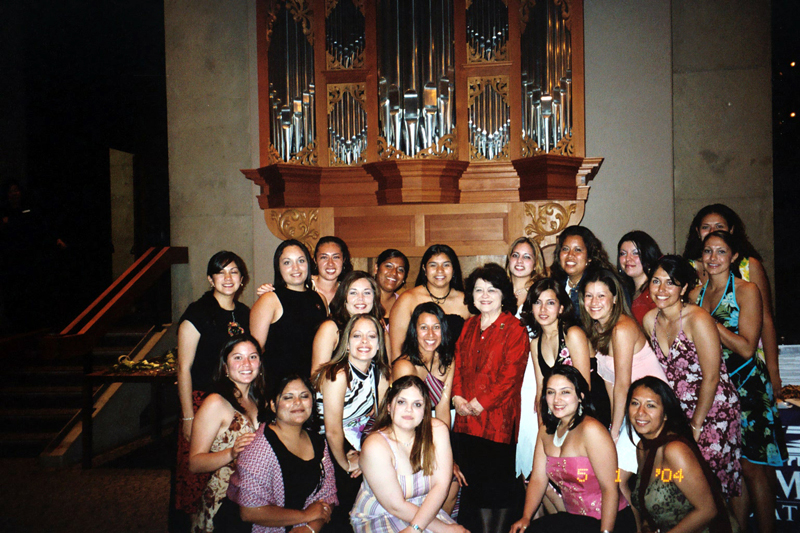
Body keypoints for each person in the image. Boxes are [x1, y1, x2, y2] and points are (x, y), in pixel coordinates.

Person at [691, 231, 787, 533]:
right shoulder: (695, 294)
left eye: (721, 252)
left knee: (753, 467)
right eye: (708, 251)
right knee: (731, 466)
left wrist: (709, 323)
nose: (713, 258)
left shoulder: (746, 290)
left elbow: (746, 347)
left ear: (733, 256)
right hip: (717, 387)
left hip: (747, 384)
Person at [643, 255, 742, 497]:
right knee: (686, 487)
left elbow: (712, 377)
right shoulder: (649, 320)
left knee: (715, 485)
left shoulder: (698, 319)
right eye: (656, 281)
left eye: (670, 282)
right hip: (678, 412)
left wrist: (696, 424)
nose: (661, 289)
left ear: (684, 287)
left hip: (713, 409)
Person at [580, 266, 667, 511]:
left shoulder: (622, 328)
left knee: (616, 477)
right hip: (632, 410)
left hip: (652, 409)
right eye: (589, 296)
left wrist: (615, 432)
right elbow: (609, 381)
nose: (594, 302)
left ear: (615, 298)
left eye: (601, 295)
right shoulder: (598, 328)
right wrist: (613, 424)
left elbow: (622, 384)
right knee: (614, 478)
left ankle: (642, 524)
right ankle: (636, 524)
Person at [451, 263, 529, 533]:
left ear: (503, 294)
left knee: (498, 488)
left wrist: (479, 403)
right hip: (466, 420)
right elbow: (458, 364)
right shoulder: (469, 325)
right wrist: (457, 396)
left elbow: (510, 376)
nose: (484, 295)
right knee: (474, 486)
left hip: (497, 421)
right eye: (478, 290)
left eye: (492, 290)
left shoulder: (515, 328)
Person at [510, 366, 635, 533]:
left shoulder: (591, 430)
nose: (557, 399)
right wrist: (526, 517)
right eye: (551, 392)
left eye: (565, 392)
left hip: (609, 521)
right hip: (574, 520)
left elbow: (610, 489)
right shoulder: (545, 431)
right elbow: (538, 479)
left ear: (581, 396)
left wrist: (605, 532)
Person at [176, 251, 251, 515]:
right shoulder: (197, 313)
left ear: (242, 279)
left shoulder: (244, 313)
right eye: (221, 272)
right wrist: (188, 417)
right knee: (196, 476)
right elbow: (183, 368)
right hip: (202, 402)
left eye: (234, 272)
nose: (228, 278)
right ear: (210, 279)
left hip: (235, 404)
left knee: (235, 470)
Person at [682, 204, 781, 397]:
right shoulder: (686, 269)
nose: (712, 231)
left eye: (719, 226)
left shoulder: (748, 267)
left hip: (746, 366)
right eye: (706, 227)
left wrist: (773, 370)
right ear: (697, 231)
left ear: (731, 230)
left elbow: (766, 320)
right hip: (707, 373)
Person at [351, 375, 466, 533]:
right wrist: (441, 529)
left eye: (417, 404)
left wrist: (423, 526)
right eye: (401, 402)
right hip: (380, 514)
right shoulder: (375, 445)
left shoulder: (437, 430)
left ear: (425, 410)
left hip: (426, 510)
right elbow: (395, 506)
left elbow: (440, 486)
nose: (409, 410)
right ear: (389, 406)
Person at [226, 374, 337, 533]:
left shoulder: (318, 442)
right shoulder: (257, 448)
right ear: (273, 405)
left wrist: (311, 528)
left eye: (304, 396)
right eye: (288, 397)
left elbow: (328, 495)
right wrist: (305, 516)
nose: (297, 402)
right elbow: (249, 512)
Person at [627, 376, 735, 533]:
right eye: (635, 403)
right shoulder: (643, 447)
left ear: (665, 414)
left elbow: (708, 510)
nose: (640, 412)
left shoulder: (674, 450)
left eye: (650, 405)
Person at [315, 314, 391, 532]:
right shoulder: (338, 374)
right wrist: (346, 464)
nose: (364, 342)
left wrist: (366, 454)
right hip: (326, 442)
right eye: (357, 336)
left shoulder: (379, 372)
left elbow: (381, 420)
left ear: (379, 344)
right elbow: (332, 431)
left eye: (371, 336)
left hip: (359, 437)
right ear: (347, 343)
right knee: (352, 487)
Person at [517, 277, 591, 481]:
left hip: (584, 413)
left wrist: (570, 433)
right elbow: (541, 392)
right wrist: (545, 436)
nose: (543, 309)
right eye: (537, 302)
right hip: (557, 415)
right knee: (537, 476)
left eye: (550, 303)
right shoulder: (535, 343)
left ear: (561, 308)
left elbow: (584, 388)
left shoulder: (572, 334)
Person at [188, 334, 264, 532]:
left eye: (253, 357)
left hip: (254, 499)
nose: (247, 363)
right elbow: (195, 463)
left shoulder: (259, 400)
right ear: (225, 366)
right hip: (223, 502)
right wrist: (231, 453)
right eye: (238, 357)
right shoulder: (215, 403)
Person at [250, 239, 327, 388]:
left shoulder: (320, 299)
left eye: (301, 261)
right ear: (278, 268)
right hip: (279, 386)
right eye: (287, 262)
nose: (295, 268)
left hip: (313, 384)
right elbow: (254, 351)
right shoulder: (269, 299)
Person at [389, 244, 471, 361]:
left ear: (453, 269)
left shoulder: (465, 301)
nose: (440, 270)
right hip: (415, 369)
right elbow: (396, 351)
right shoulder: (407, 299)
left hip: (454, 369)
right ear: (424, 269)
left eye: (446, 265)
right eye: (433, 265)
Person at [312, 271, 385, 375]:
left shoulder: (379, 327)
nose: (361, 298)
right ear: (344, 298)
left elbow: (386, 370)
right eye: (353, 293)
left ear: (374, 297)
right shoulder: (330, 328)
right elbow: (317, 376)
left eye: (367, 293)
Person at [550, 226, 616, 319]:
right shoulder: (555, 284)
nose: (570, 255)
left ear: (589, 257)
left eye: (578, 250)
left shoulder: (601, 283)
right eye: (565, 249)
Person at [617, 230, 662, 325]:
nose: (628, 259)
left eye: (636, 253)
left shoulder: (655, 293)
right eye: (623, 253)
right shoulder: (623, 291)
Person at [505, 237, 547, 311]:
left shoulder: (541, 292)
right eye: (515, 255)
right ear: (509, 260)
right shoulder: (497, 290)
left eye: (526, 257)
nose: (519, 261)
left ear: (535, 264)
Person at [314, 236, 354, 307]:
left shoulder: (348, 291)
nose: (330, 263)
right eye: (324, 257)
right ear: (315, 260)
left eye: (336, 257)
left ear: (343, 260)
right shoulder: (304, 286)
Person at [373, 249, 409, 319]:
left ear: (404, 278)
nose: (394, 273)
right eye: (388, 266)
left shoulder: (404, 305)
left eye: (400, 270)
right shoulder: (362, 299)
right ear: (376, 268)